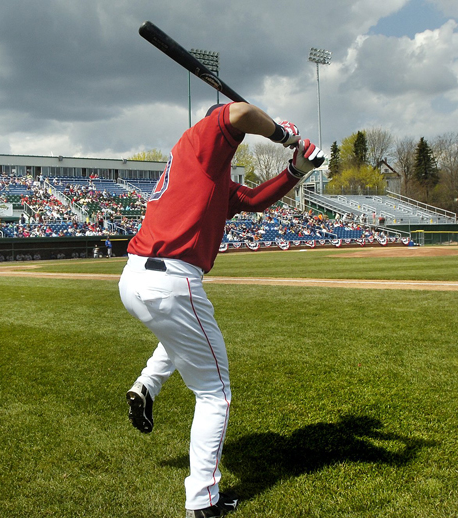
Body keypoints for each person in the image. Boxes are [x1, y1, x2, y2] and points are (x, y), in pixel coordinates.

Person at [118, 101, 323, 518]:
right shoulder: (200, 141)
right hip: (172, 278)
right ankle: (203, 502)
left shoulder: (206, 173)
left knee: (182, 340)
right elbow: (241, 114)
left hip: (137, 277)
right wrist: (281, 134)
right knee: (215, 394)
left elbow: (252, 201)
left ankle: (146, 386)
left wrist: (296, 171)